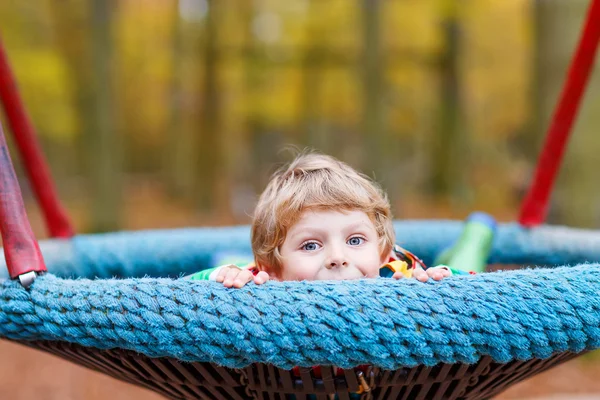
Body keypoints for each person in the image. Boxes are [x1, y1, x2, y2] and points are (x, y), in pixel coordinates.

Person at [188, 151, 453, 287]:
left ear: (381, 252)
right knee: (227, 265)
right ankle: (223, 259)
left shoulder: (398, 275)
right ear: (272, 267)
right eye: (311, 245)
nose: (337, 257)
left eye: (356, 239)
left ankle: (472, 239)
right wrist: (222, 276)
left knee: (455, 263)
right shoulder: (260, 279)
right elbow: (180, 293)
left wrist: (439, 277)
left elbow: (473, 285)